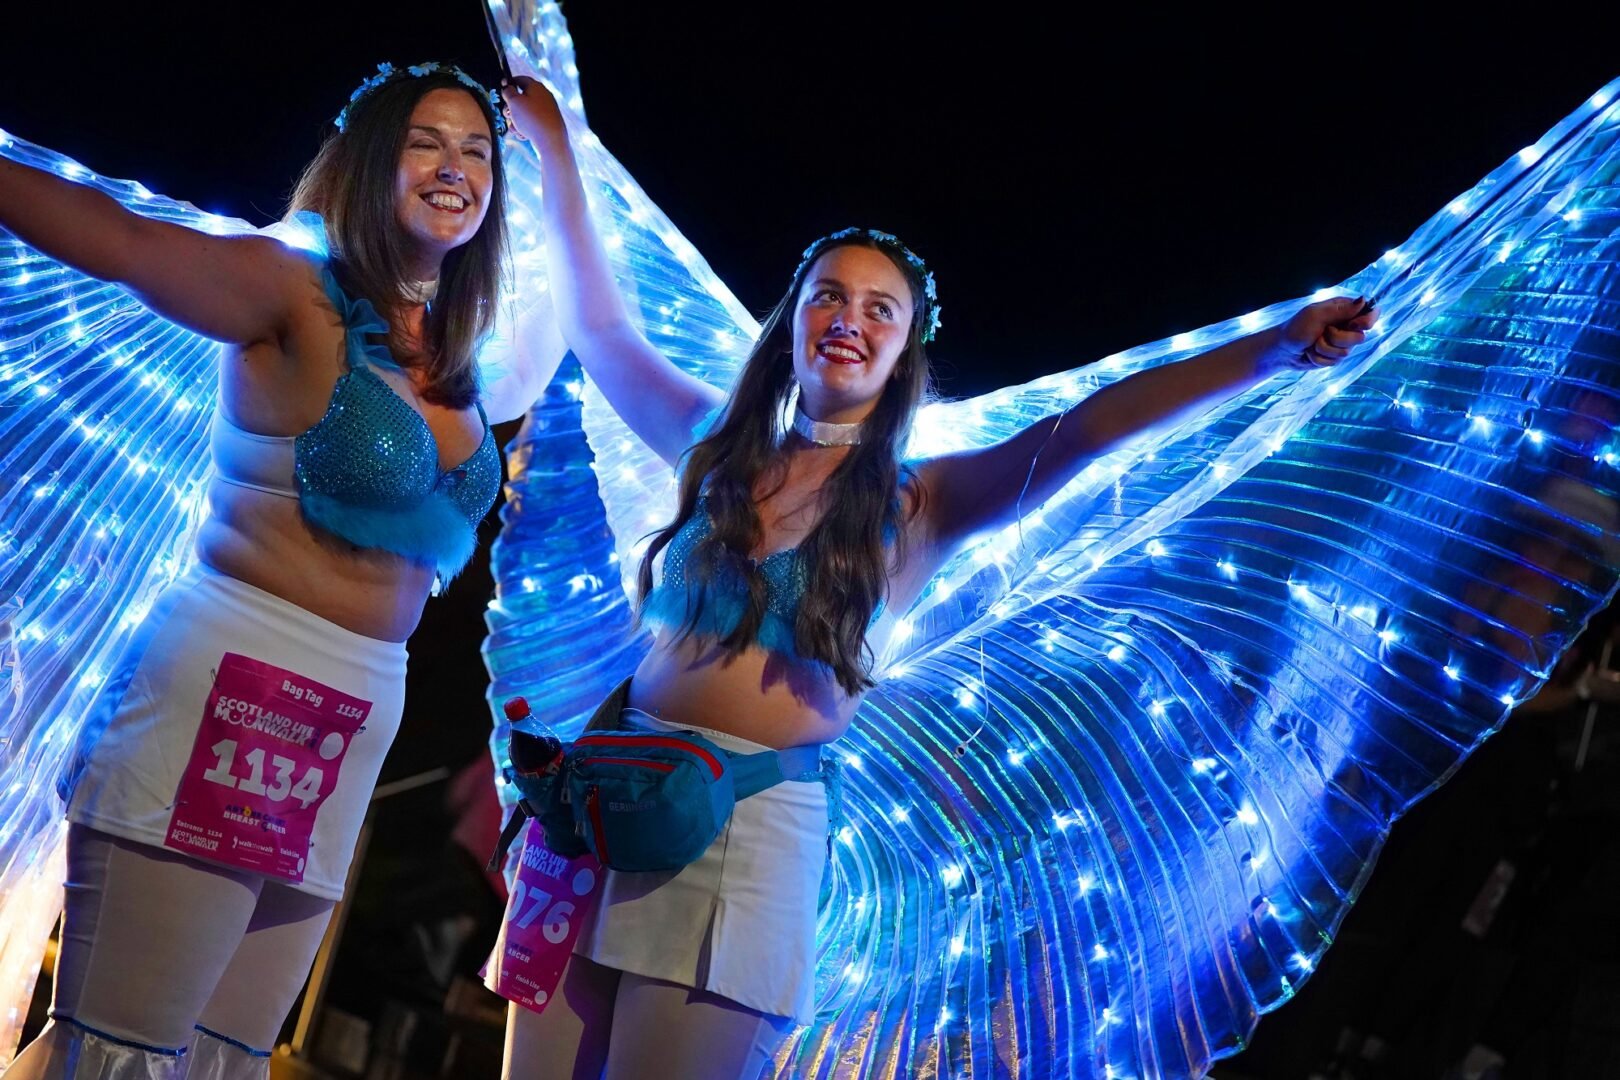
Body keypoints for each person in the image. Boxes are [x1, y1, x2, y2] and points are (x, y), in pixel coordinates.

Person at [494, 74, 1375, 1080]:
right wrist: (559, 154)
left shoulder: (924, 505)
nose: (849, 318)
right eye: (829, 294)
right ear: (792, 322)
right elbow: (604, 331)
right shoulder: (713, 446)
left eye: (881, 308)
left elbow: (1088, 431)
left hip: (742, 834)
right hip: (603, 798)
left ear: (905, 350)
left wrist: (1269, 351)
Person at [1, 62, 564, 1077]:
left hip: (351, 720)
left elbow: (589, 314)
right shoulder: (292, 288)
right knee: (122, 1053)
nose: (456, 167)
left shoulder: (458, 348)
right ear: (364, 162)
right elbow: (124, 243)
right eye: (426, 142)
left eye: (478, 151)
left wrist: (562, 158)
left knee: (227, 1057)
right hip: (232, 688)